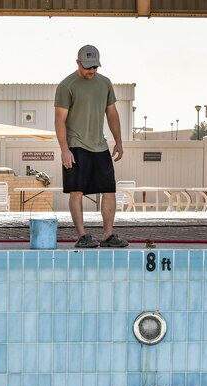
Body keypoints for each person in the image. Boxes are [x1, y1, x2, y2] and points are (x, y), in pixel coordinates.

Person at [54, 44, 126, 248]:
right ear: (78, 63)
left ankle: (108, 234)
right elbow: (59, 120)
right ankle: (82, 235)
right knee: (76, 191)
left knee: (109, 190)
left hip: (100, 145)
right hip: (76, 145)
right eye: (87, 67)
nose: (91, 71)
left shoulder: (105, 83)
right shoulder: (66, 86)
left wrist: (118, 141)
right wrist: (64, 149)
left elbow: (112, 114)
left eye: (95, 66)